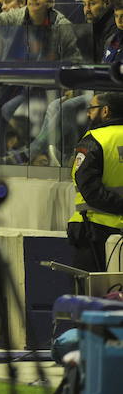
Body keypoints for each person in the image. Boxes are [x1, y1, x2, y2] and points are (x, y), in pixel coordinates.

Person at [68, 91, 123, 271]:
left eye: (92, 108)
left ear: (105, 111)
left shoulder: (94, 140)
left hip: (95, 232)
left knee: (89, 294)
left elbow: (90, 190)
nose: (88, 113)